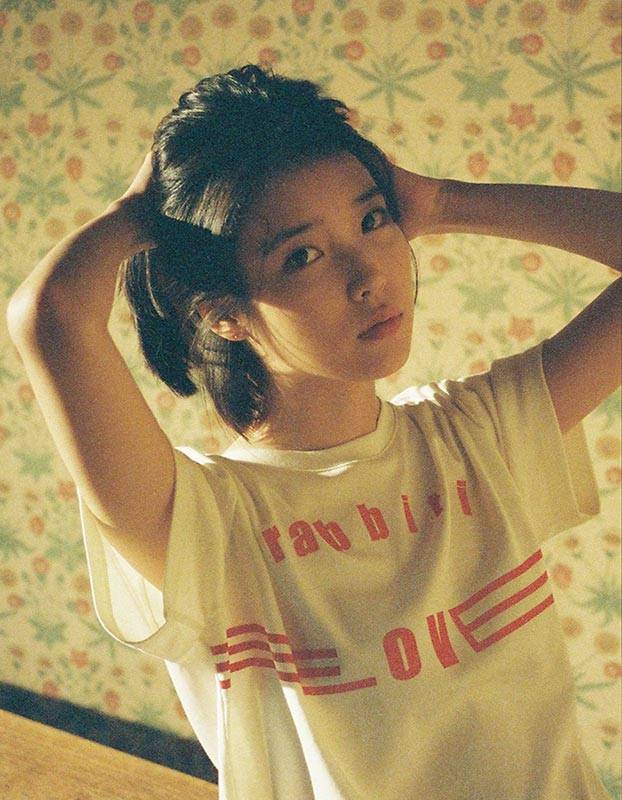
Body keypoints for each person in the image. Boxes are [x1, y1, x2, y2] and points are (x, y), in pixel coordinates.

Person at [7, 64, 618, 799]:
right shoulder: (203, 521)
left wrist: (441, 200)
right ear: (224, 315)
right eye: (302, 255)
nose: (370, 276)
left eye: (373, 221)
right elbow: (51, 316)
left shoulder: (477, 436)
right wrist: (143, 213)